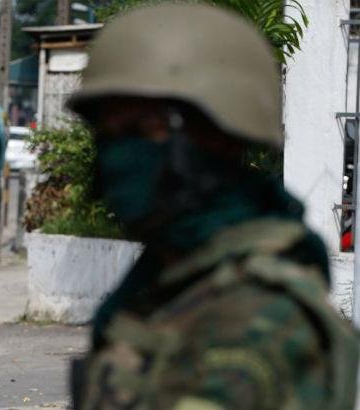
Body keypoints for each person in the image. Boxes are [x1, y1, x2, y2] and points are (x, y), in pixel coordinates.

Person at [66, 4, 359, 409]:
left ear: (219, 136)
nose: (119, 156)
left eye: (143, 128)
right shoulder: (170, 282)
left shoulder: (254, 322)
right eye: (109, 133)